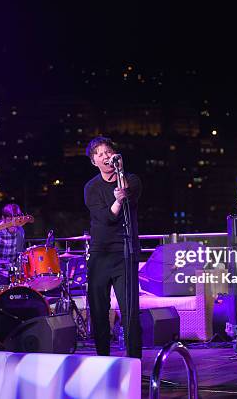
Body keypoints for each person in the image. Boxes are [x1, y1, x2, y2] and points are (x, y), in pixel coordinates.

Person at [83, 136, 142, 358]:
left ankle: (134, 361)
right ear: (94, 161)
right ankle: (103, 360)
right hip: (100, 255)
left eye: (108, 151)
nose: (106, 156)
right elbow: (106, 217)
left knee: (130, 312)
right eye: (100, 154)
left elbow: (130, 197)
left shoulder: (132, 180)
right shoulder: (91, 187)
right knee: (99, 311)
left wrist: (120, 174)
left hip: (125, 254)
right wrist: (117, 201)